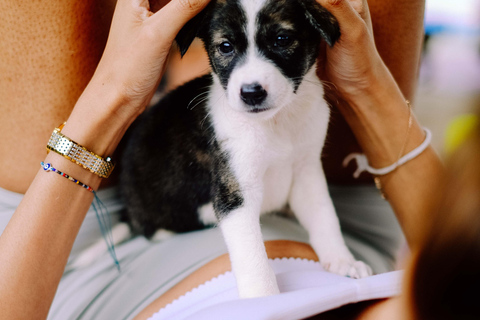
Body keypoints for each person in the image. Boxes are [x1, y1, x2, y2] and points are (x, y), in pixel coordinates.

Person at [0, 0, 466, 319]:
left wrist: (115, 96)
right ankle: (212, 48)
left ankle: (188, 57)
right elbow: (464, 271)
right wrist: (366, 86)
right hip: (355, 230)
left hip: (85, 242)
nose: (251, 78)